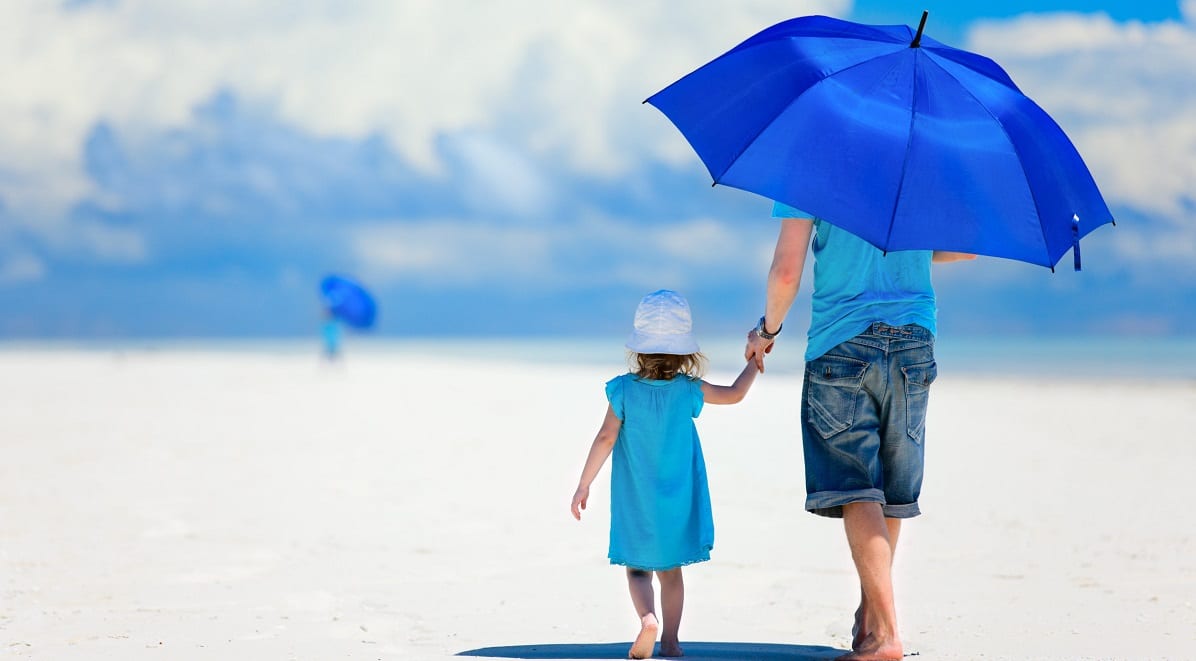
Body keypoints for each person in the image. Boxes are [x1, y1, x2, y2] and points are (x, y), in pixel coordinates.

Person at [744, 203, 975, 661]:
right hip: (914, 338)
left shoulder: (812, 164)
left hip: (842, 339)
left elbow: (787, 271)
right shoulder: (917, 168)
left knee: (857, 488)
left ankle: (887, 634)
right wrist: (902, 247)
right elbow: (964, 251)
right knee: (891, 488)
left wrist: (766, 329)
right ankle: (872, 617)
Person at [571, 289, 759, 659]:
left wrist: (584, 482)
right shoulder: (688, 390)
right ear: (685, 350)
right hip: (677, 497)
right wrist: (755, 360)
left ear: (638, 348)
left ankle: (647, 620)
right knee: (671, 572)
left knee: (637, 570)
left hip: (636, 497)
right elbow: (735, 393)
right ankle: (670, 641)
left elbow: (606, 437)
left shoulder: (623, 389)